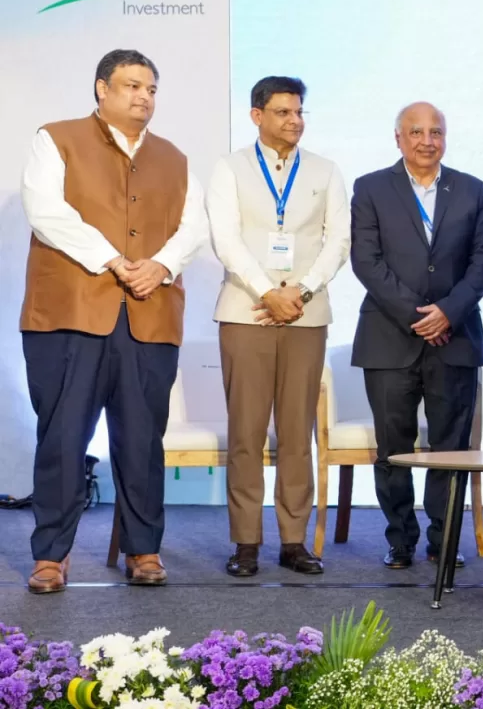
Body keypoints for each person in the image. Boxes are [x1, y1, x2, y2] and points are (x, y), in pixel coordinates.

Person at [21, 49, 208, 593]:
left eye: (151, 89)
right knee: (62, 437)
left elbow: (194, 227)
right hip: (70, 316)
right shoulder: (55, 139)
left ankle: (143, 550)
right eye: (131, 86)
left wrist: (162, 265)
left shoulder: (175, 158)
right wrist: (112, 259)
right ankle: (51, 555)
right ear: (102, 88)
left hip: (150, 315)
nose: (143, 97)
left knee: (143, 440)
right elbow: (46, 210)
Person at [207, 76, 350, 577]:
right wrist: (267, 291)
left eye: (299, 112)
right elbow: (225, 239)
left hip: (306, 315)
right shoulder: (229, 168)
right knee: (246, 432)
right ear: (257, 115)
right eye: (283, 112)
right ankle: (246, 542)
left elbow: (339, 242)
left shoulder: (326, 171)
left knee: (296, 431)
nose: (295, 121)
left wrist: (300, 292)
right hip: (246, 311)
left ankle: (293, 542)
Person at [350, 102, 483, 571]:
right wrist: (420, 316)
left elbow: (482, 262)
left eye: (436, 132)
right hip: (389, 338)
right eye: (416, 132)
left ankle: (444, 539)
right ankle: (400, 540)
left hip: (456, 338)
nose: (427, 141)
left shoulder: (471, 189)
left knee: (451, 450)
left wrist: (448, 313)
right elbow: (366, 261)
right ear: (399, 138)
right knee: (393, 449)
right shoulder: (371, 188)